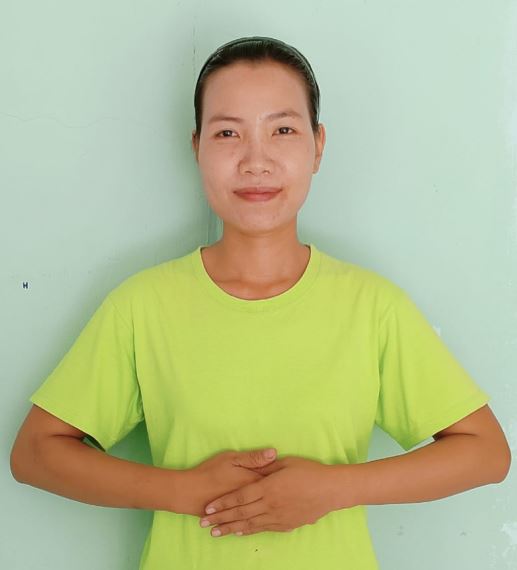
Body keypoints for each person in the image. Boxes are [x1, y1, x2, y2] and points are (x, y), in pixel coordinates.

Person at [10, 36, 511, 570]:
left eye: (283, 130)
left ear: (318, 145)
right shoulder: (142, 305)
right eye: (228, 133)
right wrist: (185, 491)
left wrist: (333, 489)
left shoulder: (372, 307)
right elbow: (35, 452)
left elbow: (486, 452)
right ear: (196, 146)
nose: (255, 161)